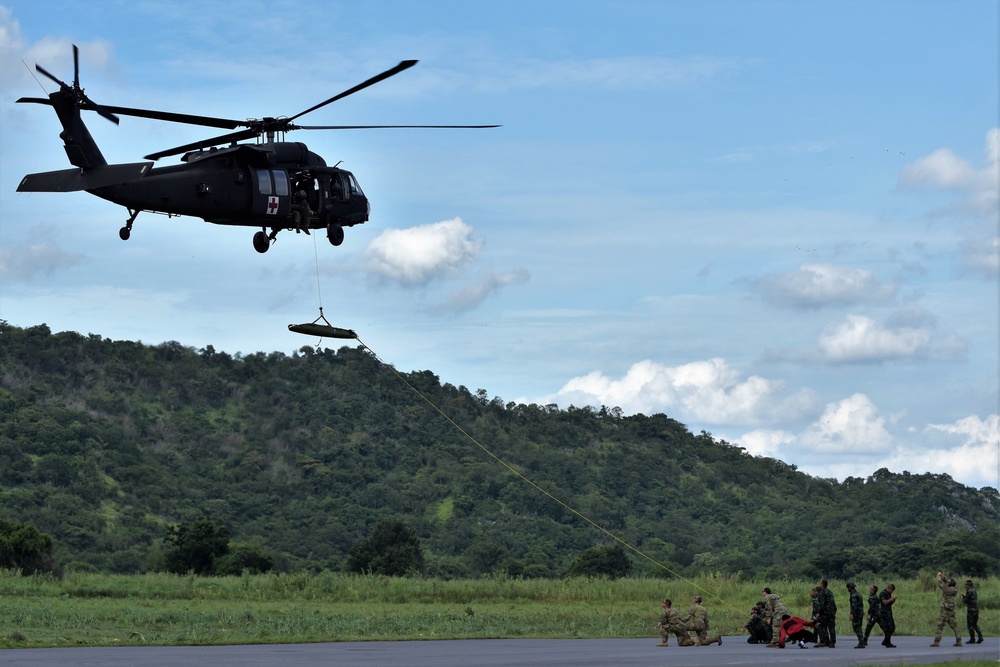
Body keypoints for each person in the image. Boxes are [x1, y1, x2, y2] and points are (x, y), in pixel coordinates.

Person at [931, 571, 963, 647]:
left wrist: (938, 576)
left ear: (949, 585)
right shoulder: (954, 590)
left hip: (945, 611)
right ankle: (959, 641)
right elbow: (946, 582)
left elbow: (940, 583)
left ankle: (936, 642)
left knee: (940, 626)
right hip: (951, 611)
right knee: (954, 626)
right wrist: (943, 576)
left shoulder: (947, 590)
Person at [815, 579, 837, 648]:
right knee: (831, 627)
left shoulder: (822, 592)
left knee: (822, 626)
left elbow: (822, 604)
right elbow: (833, 603)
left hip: (825, 613)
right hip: (831, 612)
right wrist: (834, 611)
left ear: (822, 584)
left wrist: (818, 612)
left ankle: (824, 641)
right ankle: (832, 642)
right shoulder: (830, 592)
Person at [961, 579, 984, 644]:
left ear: (969, 585)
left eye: (966, 585)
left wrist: (962, 598)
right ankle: (980, 637)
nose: (965, 586)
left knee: (970, 625)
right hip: (976, 609)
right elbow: (971, 599)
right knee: (975, 624)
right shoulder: (974, 591)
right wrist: (964, 596)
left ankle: (972, 638)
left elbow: (966, 601)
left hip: (971, 610)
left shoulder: (969, 591)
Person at [847, 581, 864, 648]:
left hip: (856, 614)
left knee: (856, 628)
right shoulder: (858, 594)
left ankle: (861, 642)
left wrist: (852, 614)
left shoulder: (853, 595)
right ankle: (862, 641)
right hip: (860, 613)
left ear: (850, 588)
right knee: (859, 627)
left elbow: (854, 606)